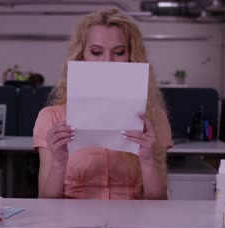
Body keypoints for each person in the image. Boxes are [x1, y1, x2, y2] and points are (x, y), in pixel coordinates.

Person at [33, 9, 173, 200]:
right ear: (81, 57)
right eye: (97, 52)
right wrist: (59, 164)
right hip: (72, 225)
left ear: (132, 57)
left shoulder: (154, 119)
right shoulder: (51, 117)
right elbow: (46, 202)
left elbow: (159, 202)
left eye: (119, 52)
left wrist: (147, 161)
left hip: (133, 223)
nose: (107, 62)